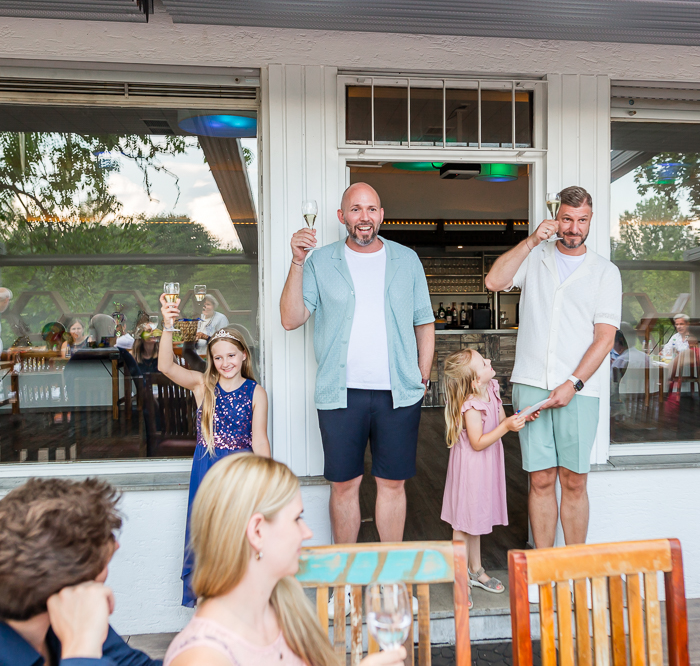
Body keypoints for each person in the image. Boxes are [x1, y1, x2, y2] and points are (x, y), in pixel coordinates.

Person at [279, 183, 434, 559]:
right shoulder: (319, 261)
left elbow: (424, 322)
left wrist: (421, 376)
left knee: (392, 485)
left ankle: (391, 582)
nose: (364, 217)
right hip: (339, 393)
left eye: (371, 209)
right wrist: (297, 261)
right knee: (344, 487)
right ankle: (343, 583)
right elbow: (290, 318)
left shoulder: (406, 259)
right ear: (341, 216)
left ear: (381, 215)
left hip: (397, 393)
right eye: (355, 209)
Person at [484, 185, 621, 602]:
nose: (573, 228)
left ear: (590, 221)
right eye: (566, 219)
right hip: (530, 381)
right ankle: (543, 568)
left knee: (574, 481)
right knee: (541, 478)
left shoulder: (604, 271)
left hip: (581, 389)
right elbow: (494, 280)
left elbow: (605, 337)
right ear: (556, 217)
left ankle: (575, 571)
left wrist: (573, 383)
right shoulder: (536, 258)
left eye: (581, 221)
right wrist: (531, 240)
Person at [165, 452, 406, 666]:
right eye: (296, 519)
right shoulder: (203, 657)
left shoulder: (285, 604)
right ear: (257, 532)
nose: (307, 533)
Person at [0, 477, 159, 666]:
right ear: (69, 587)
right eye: (103, 560)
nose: (116, 547)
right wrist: (81, 650)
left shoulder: (54, 610)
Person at [160, 294, 271, 607]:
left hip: (242, 471)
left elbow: (260, 440)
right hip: (208, 470)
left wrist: (268, 483)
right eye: (218, 358)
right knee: (210, 537)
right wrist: (168, 325)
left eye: (232, 356)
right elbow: (165, 366)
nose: (226, 363)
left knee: (241, 537)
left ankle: (244, 606)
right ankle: (211, 608)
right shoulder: (202, 386)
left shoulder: (256, 392)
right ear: (211, 360)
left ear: (244, 356)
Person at [440, 349, 534, 608]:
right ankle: (460, 578)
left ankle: (475, 569)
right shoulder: (470, 404)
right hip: (471, 467)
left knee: (477, 518)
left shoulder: (491, 388)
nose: (489, 361)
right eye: (483, 362)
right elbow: (478, 442)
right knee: (462, 523)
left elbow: (501, 420)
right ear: (473, 380)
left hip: (486, 465)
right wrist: (506, 428)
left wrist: (518, 417)